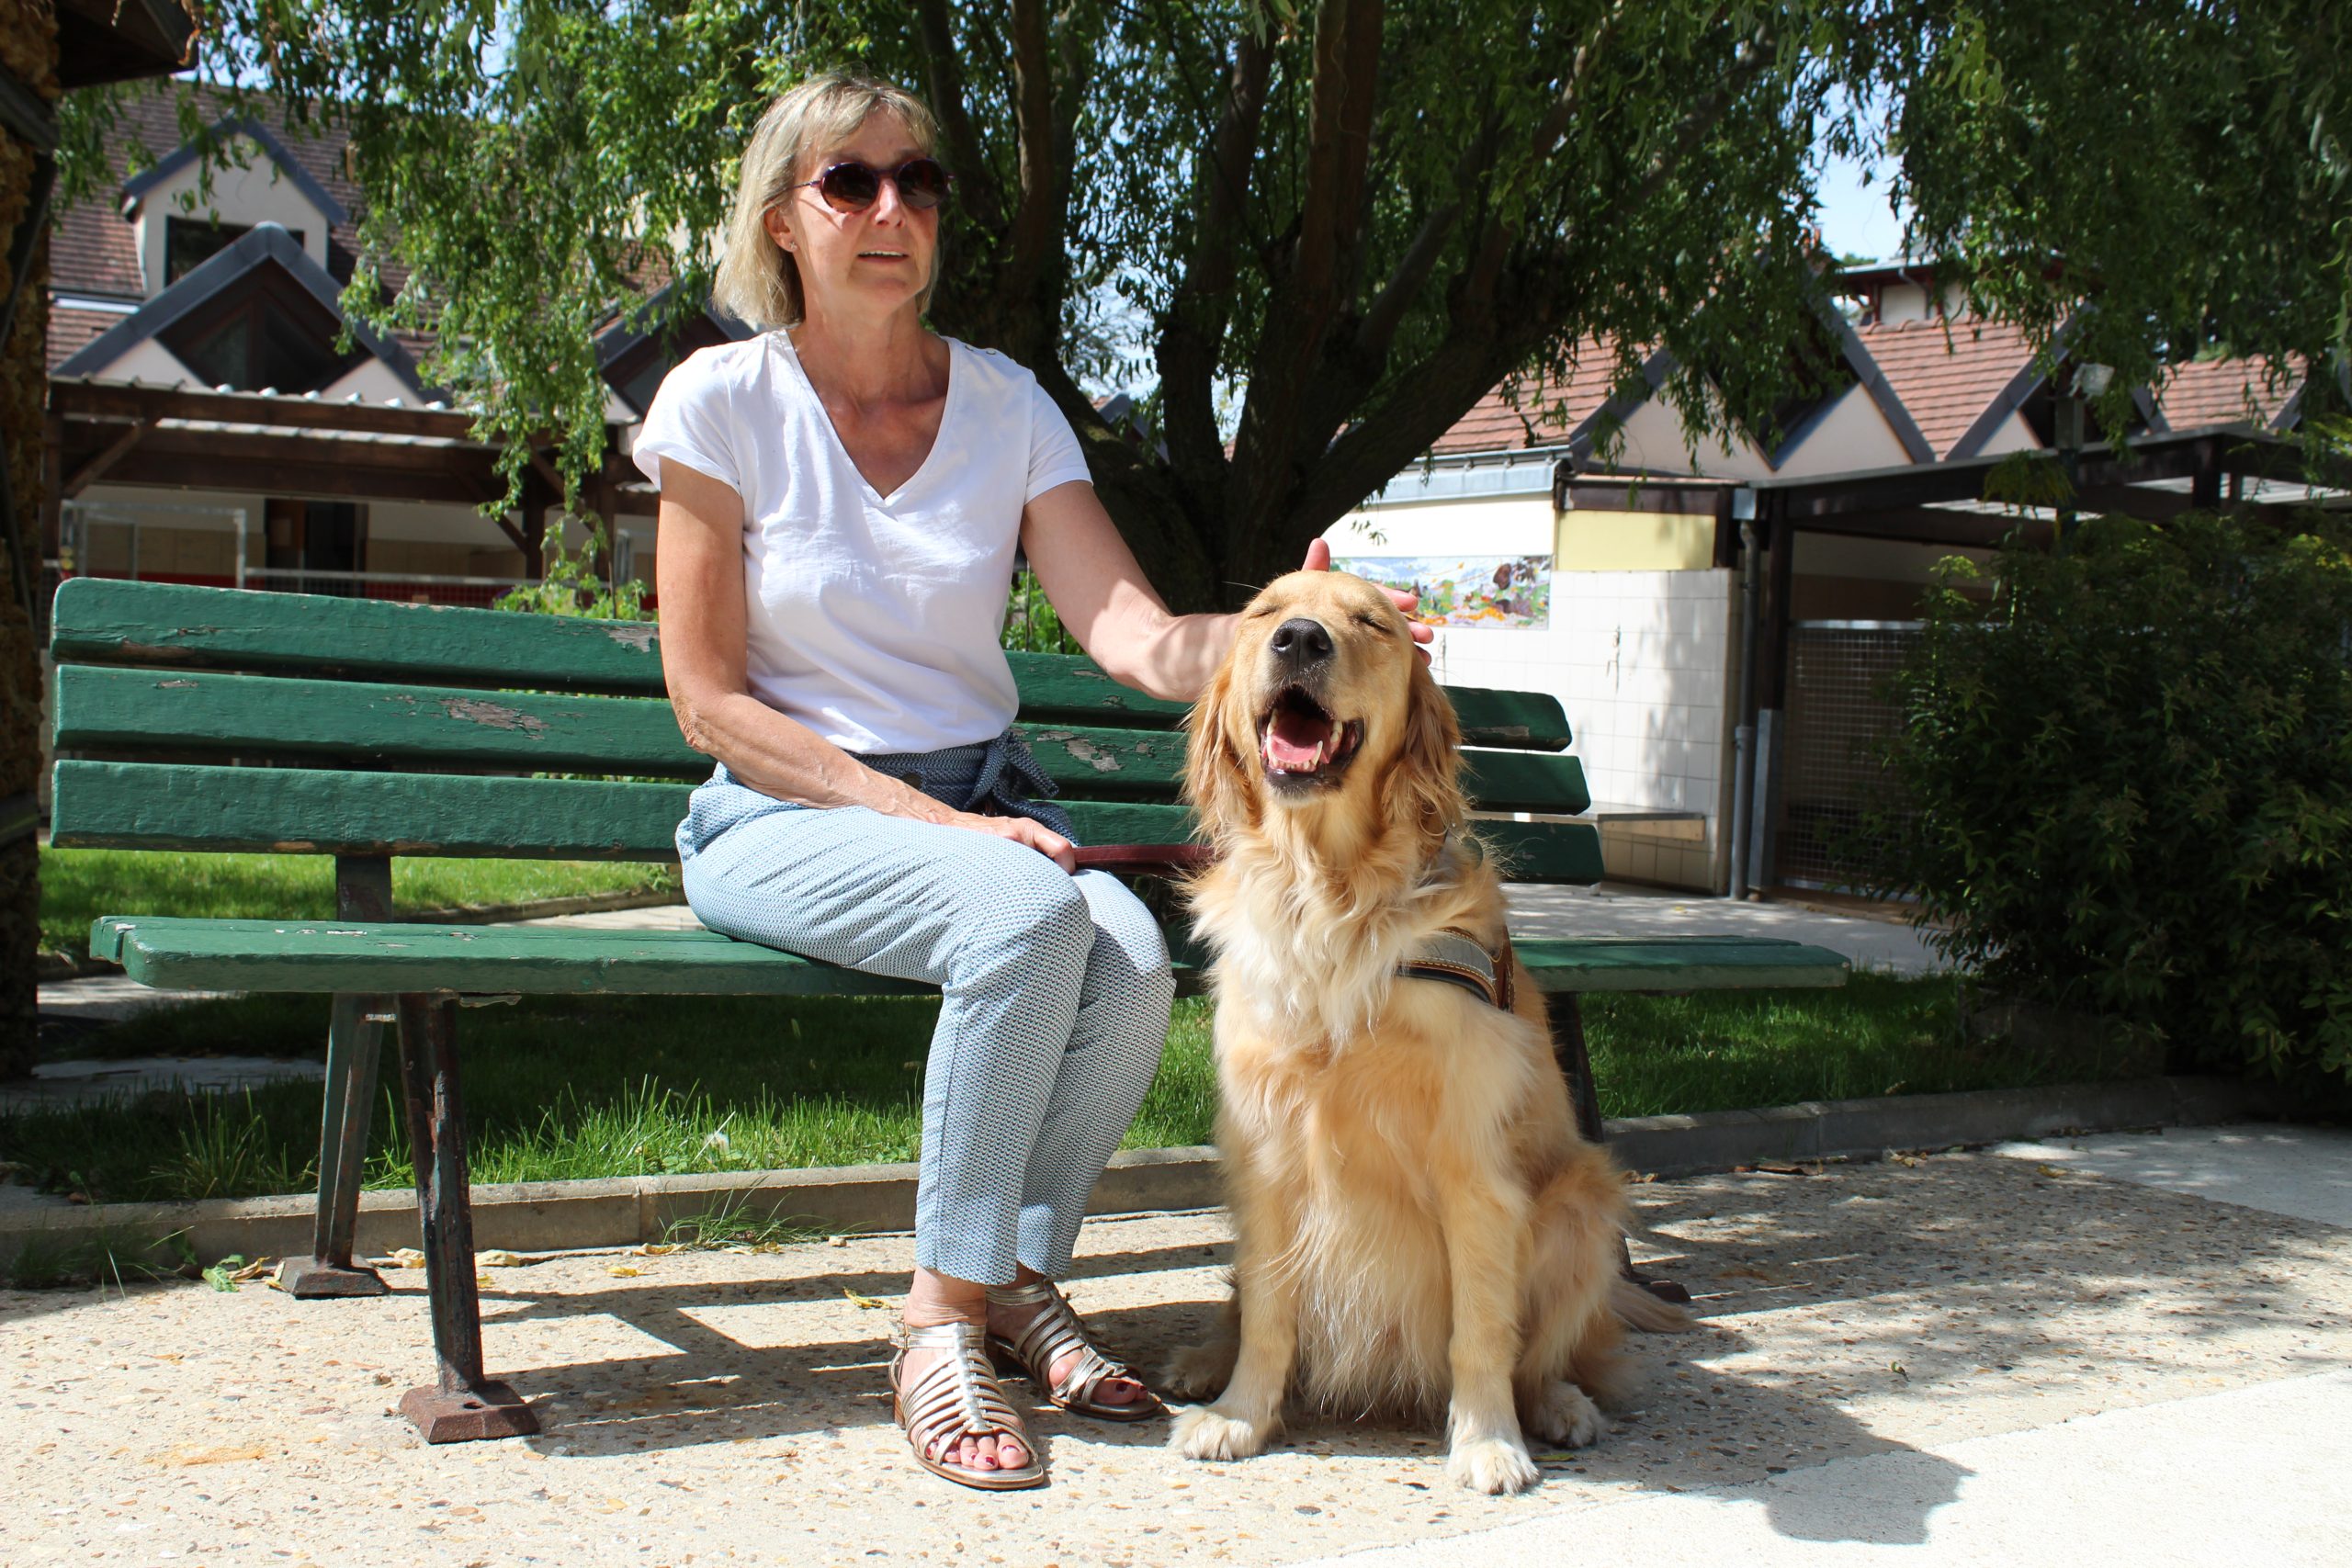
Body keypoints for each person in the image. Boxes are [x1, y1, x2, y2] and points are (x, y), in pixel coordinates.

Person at [637, 72, 1427, 1492]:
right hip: (781, 810)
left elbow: (1127, 627)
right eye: (852, 183)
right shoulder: (722, 403)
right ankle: (937, 1324)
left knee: (1130, 959)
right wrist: (939, 825)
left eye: (919, 183)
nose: (894, 209)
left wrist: (1271, 641)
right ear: (782, 222)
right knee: (1022, 913)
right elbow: (709, 702)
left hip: (979, 809)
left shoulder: (1005, 405)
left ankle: (1007, 1273)